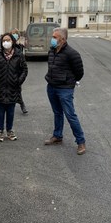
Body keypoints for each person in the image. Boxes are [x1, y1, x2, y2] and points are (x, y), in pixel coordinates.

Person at [44, 27, 87, 155]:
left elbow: (79, 73)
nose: (52, 39)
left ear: (62, 39)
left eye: (55, 37)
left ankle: (81, 142)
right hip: (51, 86)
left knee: (70, 115)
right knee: (57, 112)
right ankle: (57, 136)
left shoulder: (72, 53)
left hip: (65, 89)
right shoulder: (51, 51)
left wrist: (69, 82)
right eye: (52, 36)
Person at [0, 33, 28, 142]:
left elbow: (25, 69)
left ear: (12, 41)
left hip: (13, 88)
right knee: (0, 112)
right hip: (0, 88)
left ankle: (9, 130)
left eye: (8, 40)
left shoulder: (19, 55)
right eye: (4, 40)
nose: (6, 42)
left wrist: (19, 81)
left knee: (10, 112)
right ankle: (0, 131)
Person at [11, 28, 28, 114]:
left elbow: (23, 62)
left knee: (17, 89)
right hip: (9, 71)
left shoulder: (20, 47)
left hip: (17, 72)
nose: (14, 35)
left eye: (16, 34)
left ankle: (21, 104)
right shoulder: (8, 45)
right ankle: (18, 104)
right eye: (13, 33)